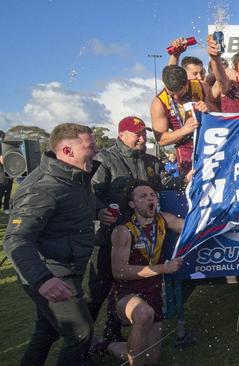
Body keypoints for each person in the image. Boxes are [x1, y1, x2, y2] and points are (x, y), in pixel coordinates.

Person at [3, 123, 100, 366]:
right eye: (91, 146)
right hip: (52, 272)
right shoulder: (43, 187)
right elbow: (16, 239)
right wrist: (42, 279)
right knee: (80, 333)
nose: (97, 151)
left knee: (47, 331)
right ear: (67, 151)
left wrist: (101, 211)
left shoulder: (73, 177)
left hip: (66, 267)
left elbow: (74, 206)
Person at [87, 116, 187, 343]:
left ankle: (113, 337)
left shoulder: (152, 161)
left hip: (144, 241)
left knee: (135, 289)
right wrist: (100, 210)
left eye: (144, 133)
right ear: (122, 135)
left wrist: (185, 177)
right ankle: (82, 341)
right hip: (110, 239)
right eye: (137, 134)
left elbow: (165, 185)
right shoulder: (104, 160)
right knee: (99, 292)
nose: (142, 138)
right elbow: (89, 193)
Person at [103, 181, 184, 365]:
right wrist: (164, 268)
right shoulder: (124, 230)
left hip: (153, 293)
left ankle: (104, 345)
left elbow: (189, 227)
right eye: (143, 196)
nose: (150, 199)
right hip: (126, 294)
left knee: (150, 359)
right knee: (143, 314)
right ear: (132, 204)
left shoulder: (163, 219)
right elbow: (119, 271)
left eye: (152, 195)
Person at [151, 65, 217, 175]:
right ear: (165, 85)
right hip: (186, 150)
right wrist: (183, 131)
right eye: (172, 93)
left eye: (180, 92)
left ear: (187, 82)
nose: (176, 97)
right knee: (191, 186)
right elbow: (161, 140)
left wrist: (209, 108)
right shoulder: (158, 103)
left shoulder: (202, 87)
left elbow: (222, 112)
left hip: (210, 143)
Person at [0, 130, 12, 214]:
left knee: (8, 190)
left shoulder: (7, 145)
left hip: (9, 170)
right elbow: (2, 159)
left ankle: (6, 207)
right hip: (1, 171)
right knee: (1, 189)